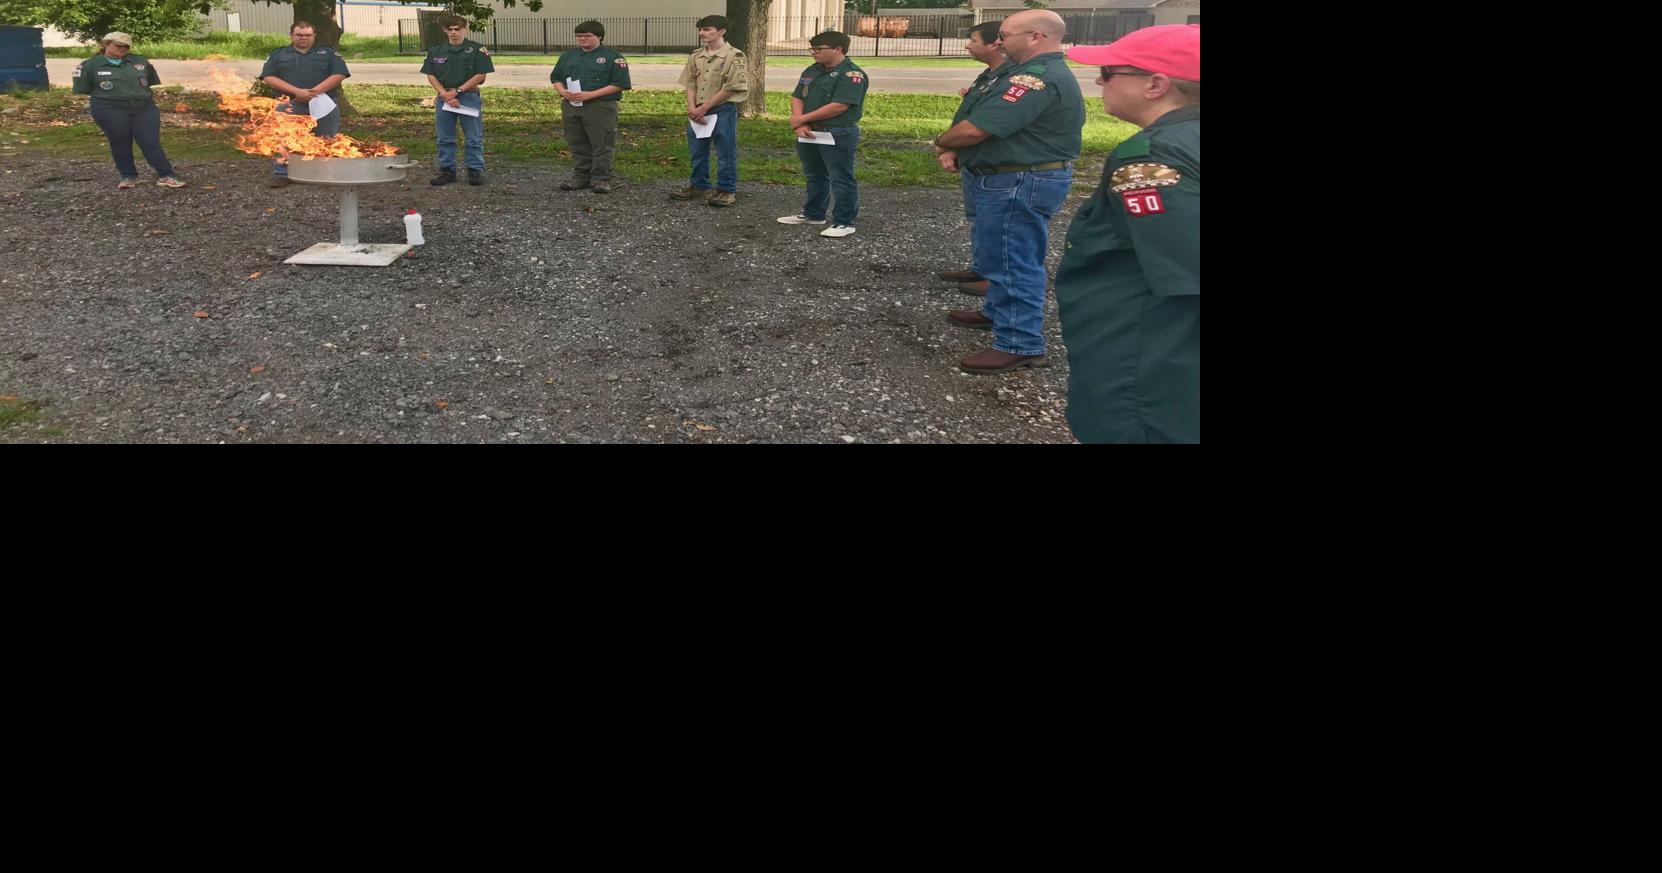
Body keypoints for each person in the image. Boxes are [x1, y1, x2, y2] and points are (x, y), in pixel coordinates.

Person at [1055, 25, 1200, 443]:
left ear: (1155, 84)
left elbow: (1186, 268)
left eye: (1109, 72)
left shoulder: (1153, 159)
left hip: (1151, 346)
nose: (1100, 82)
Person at [931, 10, 1083, 374]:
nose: (999, 42)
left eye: (1005, 35)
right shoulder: (1020, 73)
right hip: (1011, 177)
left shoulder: (1036, 78)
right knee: (1001, 256)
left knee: (1014, 260)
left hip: (1019, 180)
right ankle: (999, 314)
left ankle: (1019, 343)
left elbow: (976, 128)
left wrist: (942, 141)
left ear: (1035, 37)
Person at [776, 31, 868, 239]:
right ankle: (814, 214)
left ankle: (844, 222)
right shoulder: (812, 70)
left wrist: (801, 119)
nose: (814, 53)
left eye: (819, 49)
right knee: (814, 174)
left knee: (841, 177)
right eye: (812, 49)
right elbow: (798, 96)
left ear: (838, 49)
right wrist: (800, 122)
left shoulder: (852, 75)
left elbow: (839, 106)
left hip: (837, 131)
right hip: (809, 130)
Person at [71, 32, 185, 189]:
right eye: (118, 45)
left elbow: (149, 81)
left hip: (144, 107)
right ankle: (128, 176)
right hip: (109, 108)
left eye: (126, 46)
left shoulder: (139, 61)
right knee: (120, 142)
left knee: (149, 141)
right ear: (106, 44)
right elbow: (83, 88)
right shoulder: (90, 65)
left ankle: (166, 175)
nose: (123, 49)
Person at [939, 21, 1006, 286]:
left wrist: (943, 143)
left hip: (998, 165)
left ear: (995, 44)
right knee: (979, 219)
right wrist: (954, 148)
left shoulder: (1012, 78)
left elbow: (982, 126)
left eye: (973, 40)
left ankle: (996, 279)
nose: (968, 45)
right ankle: (982, 268)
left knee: (997, 224)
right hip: (976, 161)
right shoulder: (989, 76)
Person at [670, 14, 749, 207]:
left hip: (721, 109)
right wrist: (692, 107)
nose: (701, 33)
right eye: (700, 29)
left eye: (706, 29)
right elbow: (690, 83)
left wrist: (705, 108)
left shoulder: (734, 56)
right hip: (698, 110)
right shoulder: (696, 56)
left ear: (721, 31)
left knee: (725, 151)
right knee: (697, 150)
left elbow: (731, 87)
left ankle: (726, 189)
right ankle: (699, 185)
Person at [260, 20, 351, 188]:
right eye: (299, 35)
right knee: (284, 139)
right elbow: (268, 77)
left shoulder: (328, 53)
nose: (303, 38)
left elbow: (339, 74)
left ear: (314, 35)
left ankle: (323, 173)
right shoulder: (279, 54)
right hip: (289, 103)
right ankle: (282, 173)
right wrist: (297, 91)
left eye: (308, 35)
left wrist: (313, 92)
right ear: (291, 35)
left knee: (326, 139)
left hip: (323, 103)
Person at [551, 21, 633, 194]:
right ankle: (581, 176)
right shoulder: (569, 56)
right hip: (572, 105)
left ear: (599, 36)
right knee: (577, 142)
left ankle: (601, 178)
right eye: (579, 36)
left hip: (599, 106)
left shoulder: (612, 57)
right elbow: (556, 77)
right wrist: (562, 91)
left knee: (601, 143)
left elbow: (620, 84)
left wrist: (590, 95)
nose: (582, 39)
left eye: (587, 36)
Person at [421, 14, 495, 186]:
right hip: (444, 97)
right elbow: (430, 75)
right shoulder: (436, 51)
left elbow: (481, 74)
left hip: (468, 96)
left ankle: (475, 171)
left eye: (458, 29)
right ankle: (447, 170)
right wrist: (444, 94)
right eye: (450, 29)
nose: (454, 32)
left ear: (465, 28)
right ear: (444, 30)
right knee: (445, 137)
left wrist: (458, 91)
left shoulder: (477, 50)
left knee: (473, 137)